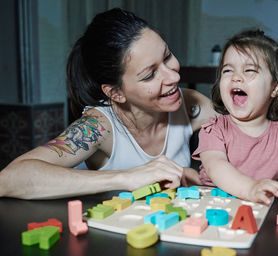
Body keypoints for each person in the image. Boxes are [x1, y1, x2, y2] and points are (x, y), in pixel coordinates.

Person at [0, 8, 216, 199]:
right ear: (116, 92)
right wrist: (126, 177)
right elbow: (8, 180)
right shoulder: (99, 127)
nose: (173, 77)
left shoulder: (188, 103)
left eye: (167, 56)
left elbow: (242, 126)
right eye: (150, 75)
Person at [192, 29, 278, 210]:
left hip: (261, 208)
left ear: (275, 88)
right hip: (213, 206)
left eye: (249, 70)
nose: (236, 77)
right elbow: (215, 167)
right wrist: (250, 188)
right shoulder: (215, 129)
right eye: (228, 70)